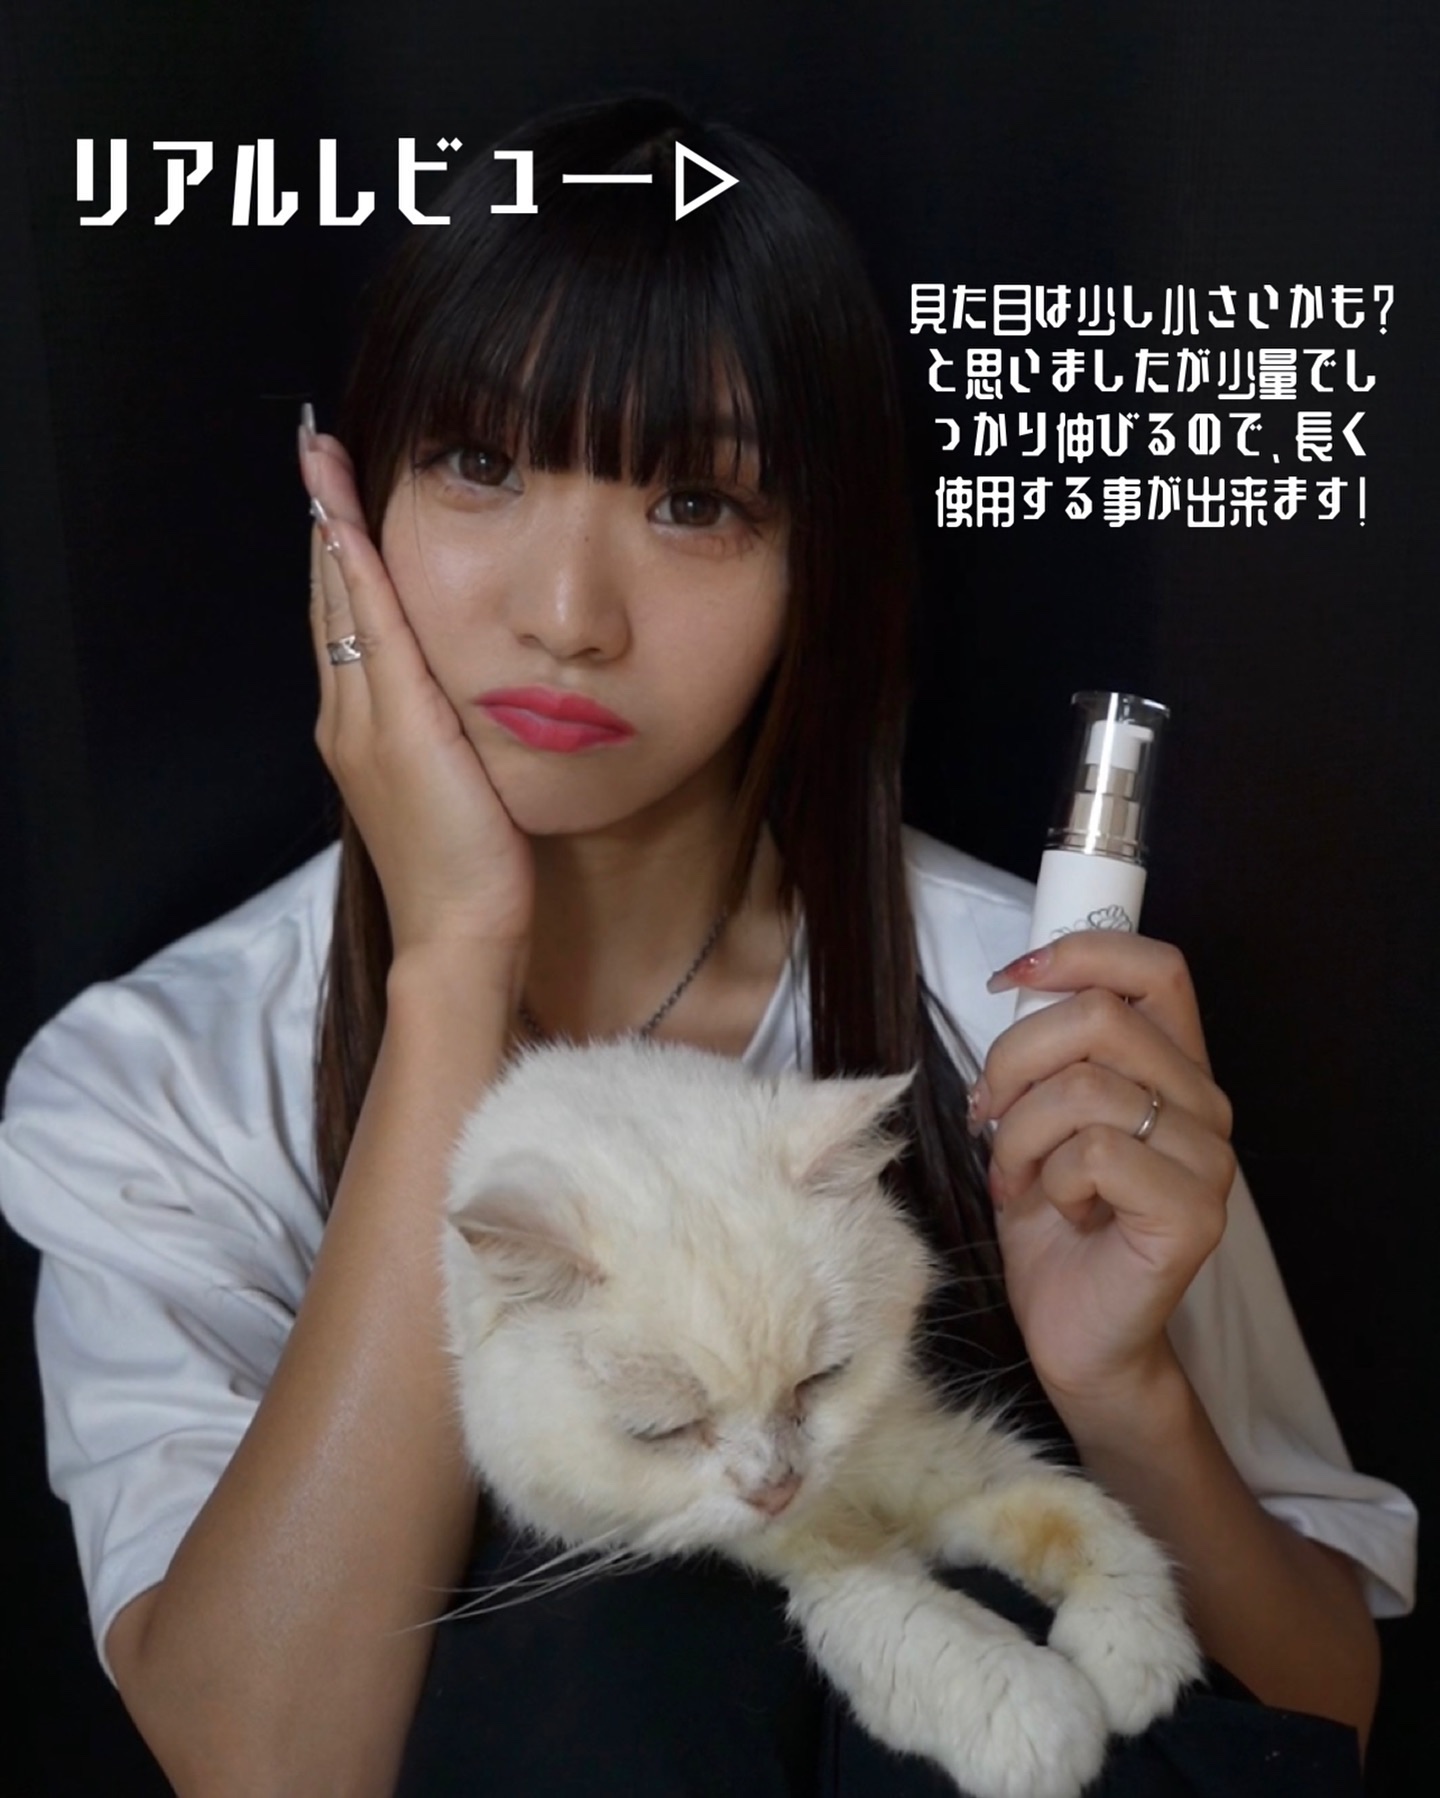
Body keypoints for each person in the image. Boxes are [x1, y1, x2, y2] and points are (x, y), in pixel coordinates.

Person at [0, 90, 1415, 1797]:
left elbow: (1321, 1716)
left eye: (694, 502)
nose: (568, 614)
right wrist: (453, 961)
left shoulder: (1016, 1007)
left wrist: (1121, 1390)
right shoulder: (156, 1089)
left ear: (821, 561)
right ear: (343, 505)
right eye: (481, 465)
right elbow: (265, 1761)